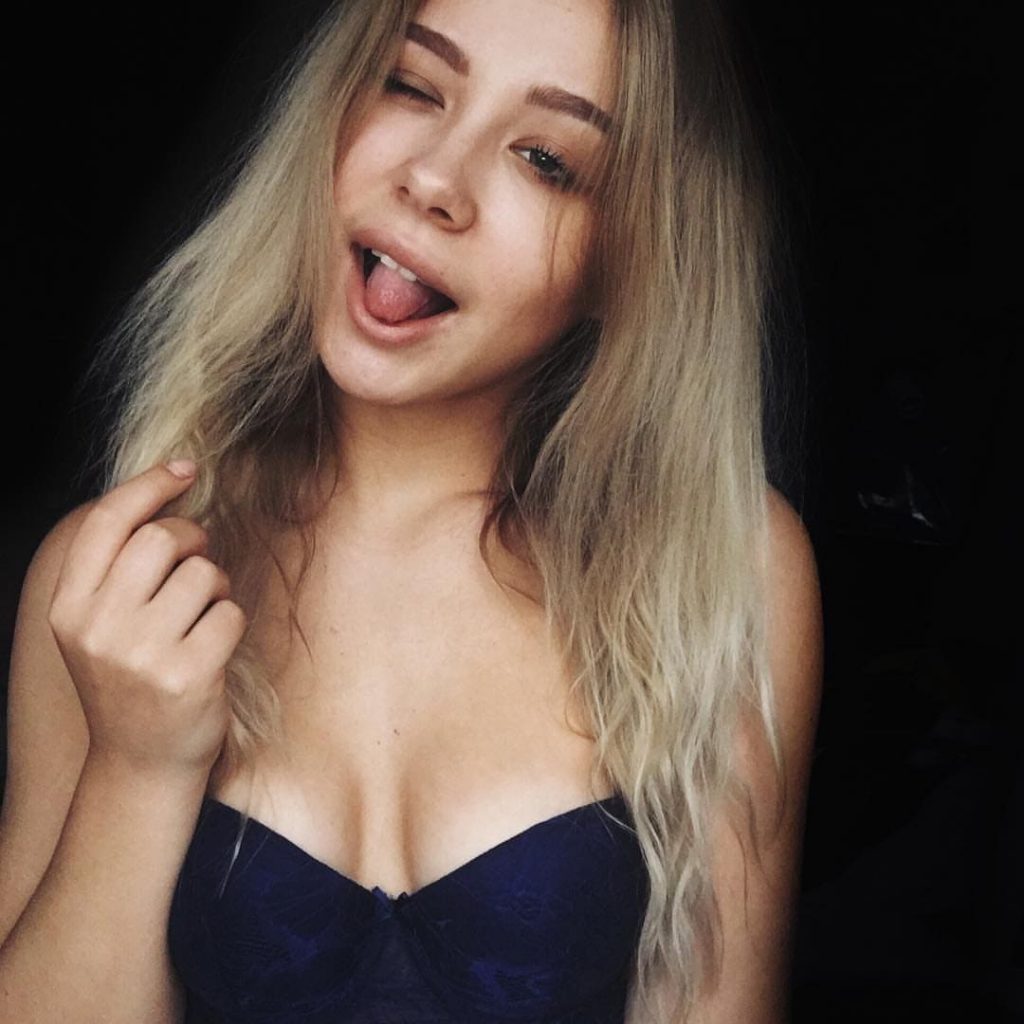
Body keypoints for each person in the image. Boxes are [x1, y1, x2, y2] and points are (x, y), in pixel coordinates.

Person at [0, 0, 823, 1020]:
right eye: (415, 86)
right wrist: (134, 768)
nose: (435, 179)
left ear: (627, 255)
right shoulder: (118, 579)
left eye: (545, 160)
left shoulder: (723, 570)